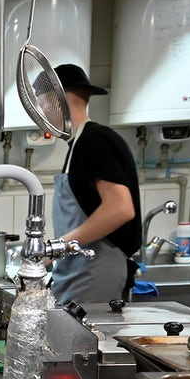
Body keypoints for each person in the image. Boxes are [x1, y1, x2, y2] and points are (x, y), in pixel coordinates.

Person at [49, 63, 142, 305]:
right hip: (78, 273)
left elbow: (120, 208)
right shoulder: (78, 145)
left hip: (94, 273)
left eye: (42, 102)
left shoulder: (96, 141)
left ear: (58, 99)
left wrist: (59, 246)